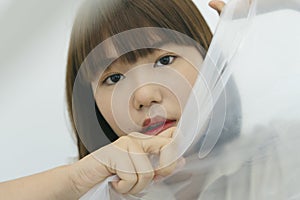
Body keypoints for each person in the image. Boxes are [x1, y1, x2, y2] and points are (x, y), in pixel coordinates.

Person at [0, 1, 225, 199]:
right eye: (114, 78)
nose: (144, 96)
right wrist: (76, 181)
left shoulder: (258, 164)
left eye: (165, 61)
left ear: (210, 56)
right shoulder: (86, 188)